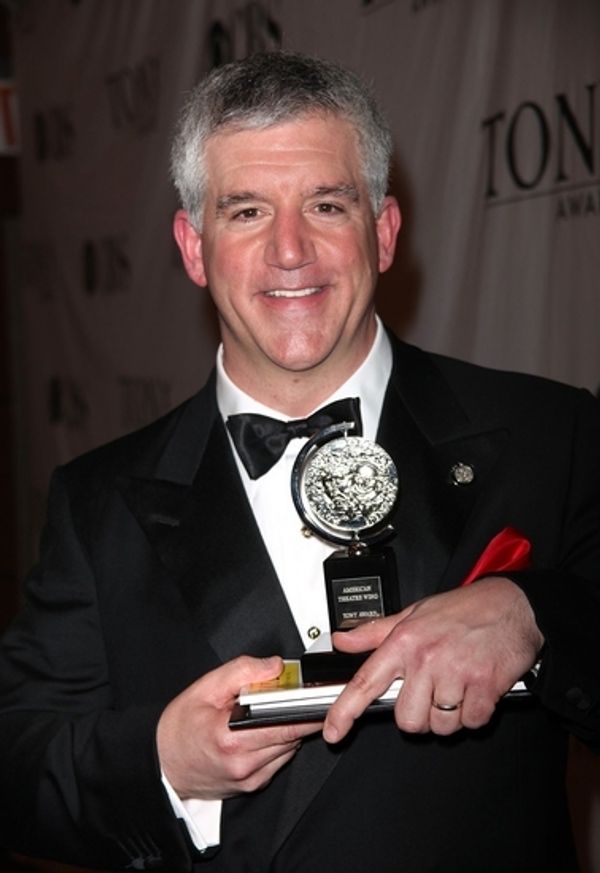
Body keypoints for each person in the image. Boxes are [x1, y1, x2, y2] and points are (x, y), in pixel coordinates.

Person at [1, 50, 599, 873]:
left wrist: (534, 613)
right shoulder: (96, 502)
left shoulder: (551, 432)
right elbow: (18, 761)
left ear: (384, 232)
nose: (290, 251)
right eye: (246, 211)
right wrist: (164, 763)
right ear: (193, 246)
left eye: (326, 203)